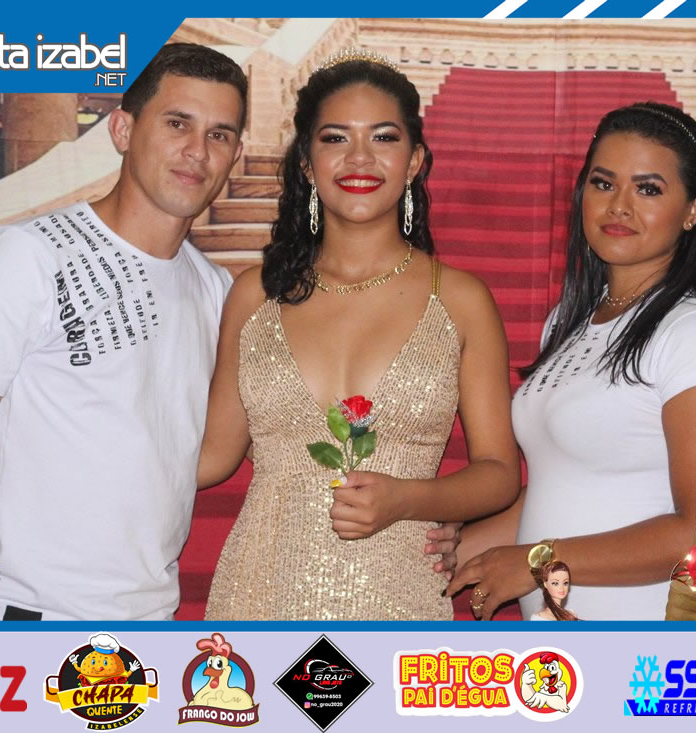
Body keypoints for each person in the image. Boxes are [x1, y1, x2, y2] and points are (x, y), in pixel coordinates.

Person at [0, 43, 249, 621]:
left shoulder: (216, 289)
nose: (197, 151)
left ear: (235, 154)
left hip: (151, 619)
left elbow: (183, 455)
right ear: (122, 130)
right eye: (177, 123)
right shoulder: (29, 254)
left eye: (219, 134)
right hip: (24, 614)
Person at [197, 49, 520, 620]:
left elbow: (498, 473)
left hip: (401, 600)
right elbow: (212, 456)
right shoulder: (254, 295)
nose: (360, 158)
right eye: (336, 138)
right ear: (306, 162)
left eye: (384, 137)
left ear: (414, 160)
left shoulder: (461, 300)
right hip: (258, 594)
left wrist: (407, 498)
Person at [447, 102, 696, 620]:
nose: (619, 207)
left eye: (648, 189)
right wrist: (444, 557)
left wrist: (540, 561)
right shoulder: (569, 320)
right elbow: (561, 492)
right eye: (604, 183)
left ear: (694, 209)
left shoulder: (694, 335)